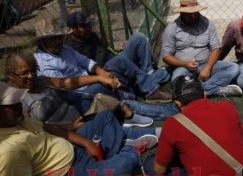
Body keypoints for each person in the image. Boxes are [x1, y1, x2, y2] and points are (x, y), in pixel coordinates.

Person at [0, 81, 151, 176]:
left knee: (105, 117)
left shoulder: (19, 119)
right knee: (126, 164)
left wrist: (87, 143)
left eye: (16, 100)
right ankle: (123, 151)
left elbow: (53, 129)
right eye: (10, 104)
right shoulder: (6, 151)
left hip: (73, 150)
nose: (18, 105)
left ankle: (109, 163)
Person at [143, 75, 243, 176]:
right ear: (204, 95)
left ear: (178, 104)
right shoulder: (228, 107)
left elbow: (159, 170)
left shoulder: (172, 124)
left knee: (150, 162)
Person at [33, 19, 170, 114]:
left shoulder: (65, 49)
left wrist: (102, 73)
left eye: (59, 37)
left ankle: (150, 89)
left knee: (129, 49)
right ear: (41, 42)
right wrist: (99, 78)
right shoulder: (42, 62)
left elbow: (85, 61)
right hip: (82, 94)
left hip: (97, 78)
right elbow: (64, 84)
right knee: (125, 95)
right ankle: (137, 92)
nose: (59, 41)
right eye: (53, 38)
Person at [6, 50, 167, 131]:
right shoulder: (15, 101)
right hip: (69, 129)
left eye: (33, 71)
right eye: (24, 73)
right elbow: (35, 130)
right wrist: (70, 129)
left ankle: (127, 113)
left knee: (105, 94)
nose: (31, 76)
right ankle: (160, 120)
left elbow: (67, 83)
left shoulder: (42, 79)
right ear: (11, 76)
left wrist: (99, 77)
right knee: (112, 105)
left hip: (78, 111)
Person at [161, 0, 242, 97]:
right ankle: (217, 90)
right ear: (181, 12)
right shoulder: (172, 28)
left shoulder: (207, 24)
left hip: (206, 63)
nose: (193, 16)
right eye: (188, 14)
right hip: (183, 67)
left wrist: (208, 68)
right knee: (177, 78)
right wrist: (184, 64)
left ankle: (203, 89)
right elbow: (166, 56)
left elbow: (216, 48)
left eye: (195, 12)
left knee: (234, 68)